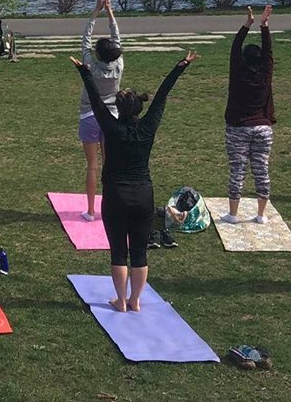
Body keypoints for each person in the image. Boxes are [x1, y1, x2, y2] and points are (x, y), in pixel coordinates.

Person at [70, 49, 197, 313]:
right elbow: (161, 97)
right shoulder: (147, 127)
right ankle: (135, 301)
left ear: (119, 109)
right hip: (143, 195)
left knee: (118, 251)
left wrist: (85, 72)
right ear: (139, 110)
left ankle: (120, 301)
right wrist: (179, 67)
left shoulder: (112, 127)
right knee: (139, 252)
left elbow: (95, 101)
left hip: (116, 196)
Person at [223, 6, 275, 224]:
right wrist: (264, 26)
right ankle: (261, 215)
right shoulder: (265, 75)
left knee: (238, 169)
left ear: (243, 59)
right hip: (263, 128)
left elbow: (235, 48)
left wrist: (248, 24)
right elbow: (269, 53)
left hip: (238, 128)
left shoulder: (238, 73)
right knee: (261, 169)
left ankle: (233, 214)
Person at [77, 0, 123, 221]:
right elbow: (117, 38)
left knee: (92, 166)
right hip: (111, 116)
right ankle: (110, 208)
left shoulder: (90, 67)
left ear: (98, 54)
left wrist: (96, 12)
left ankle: (92, 210)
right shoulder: (118, 66)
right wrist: (110, 11)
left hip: (89, 115)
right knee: (110, 164)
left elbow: (85, 39)